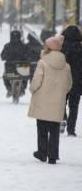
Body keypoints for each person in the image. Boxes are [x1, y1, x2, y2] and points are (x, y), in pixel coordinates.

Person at [28, 35, 72, 164]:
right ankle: (53, 155)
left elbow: (37, 81)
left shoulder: (43, 62)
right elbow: (68, 84)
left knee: (41, 128)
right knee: (54, 130)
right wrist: (60, 93)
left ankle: (42, 153)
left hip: (42, 100)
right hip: (57, 102)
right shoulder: (66, 65)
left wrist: (32, 89)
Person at [60, 25, 82, 136]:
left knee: (61, 102)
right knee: (74, 106)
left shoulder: (61, 48)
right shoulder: (80, 48)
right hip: (77, 80)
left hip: (63, 80)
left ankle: (63, 118)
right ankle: (71, 130)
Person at [0, 30, 28, 97]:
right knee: (26, 76)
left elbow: (2, 56)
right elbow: (28, 56)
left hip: (10, 69)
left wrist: (7, 58)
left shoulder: (7, 46)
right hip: (22, 69)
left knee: (4, 77)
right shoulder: (24, 46)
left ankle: (9, 89)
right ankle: (23, 89)